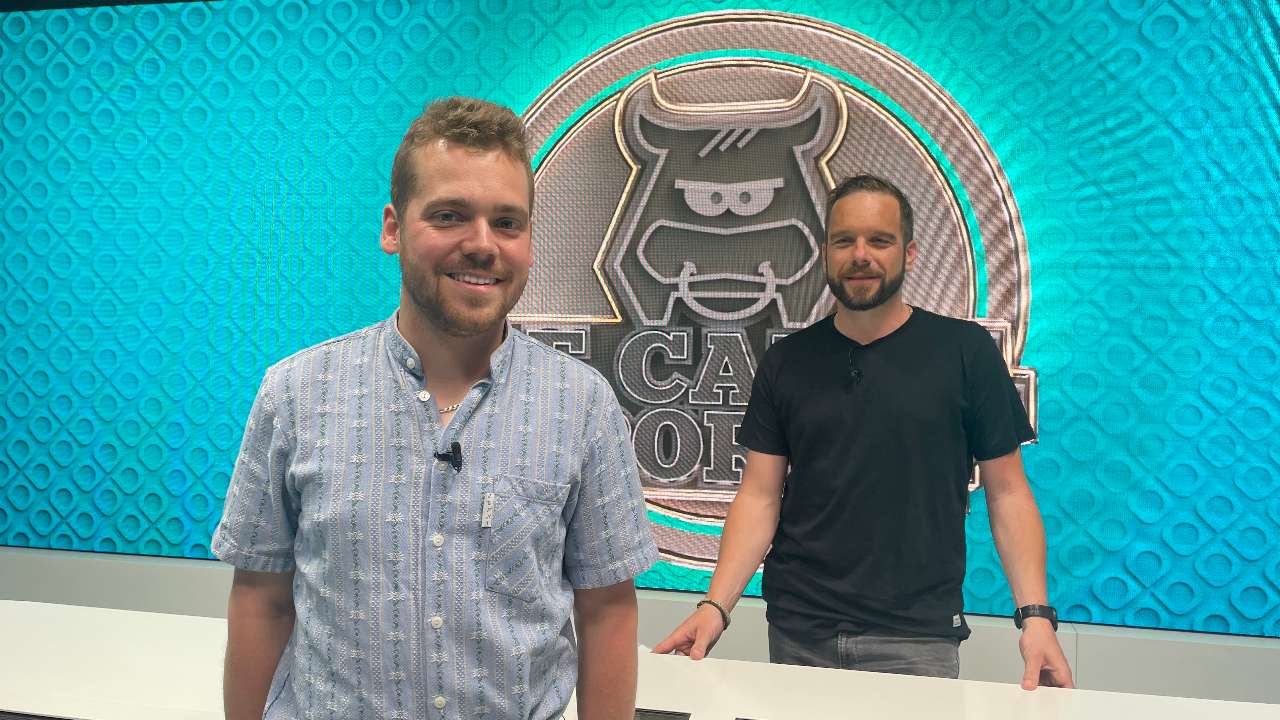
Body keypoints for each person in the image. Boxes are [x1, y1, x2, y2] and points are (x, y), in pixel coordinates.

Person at [213, 97, 658, 720]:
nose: (483, 245)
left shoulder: (582, 407)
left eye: (508, 222)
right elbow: (262, 597)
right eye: (450, 216)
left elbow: (607, 609)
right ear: (393, 229)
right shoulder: (294, 393)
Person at [654, 174, 1074, 690]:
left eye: (879, 240)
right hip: (799, 632)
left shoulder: (965, 352)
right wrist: (715, 606)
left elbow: (1008, 493)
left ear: (910, 253)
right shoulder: (787, 361)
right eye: (844, 240)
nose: (860, 255)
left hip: (916, 638)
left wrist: (1035, 617)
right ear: (825, 253)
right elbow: (759, 497)